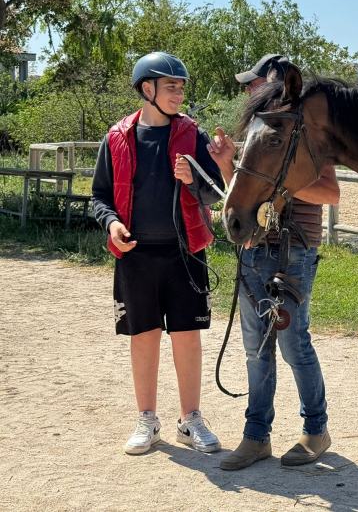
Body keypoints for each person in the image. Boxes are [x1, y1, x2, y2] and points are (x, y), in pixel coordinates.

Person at [208, 54, 340, 471]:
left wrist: (283, 187)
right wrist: (227, 165)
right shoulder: (259, 135)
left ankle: (316, 429)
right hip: (255, 247)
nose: (250, 92)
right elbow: (242, 197)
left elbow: (331, 194)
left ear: (279, 86)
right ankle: (256, 436)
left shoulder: (311, 137)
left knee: (292, 342)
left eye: (256, 85)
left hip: (294, 248)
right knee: (254, 347)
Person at [91, 52, 225, 455]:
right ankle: (147, 419)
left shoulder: (193, 135)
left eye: (182, 87)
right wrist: (111, 223)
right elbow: (99, 196)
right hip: (135, 256)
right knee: (143, 336)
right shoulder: (116, 137)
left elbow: (216, 192)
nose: (179, 94)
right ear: (146, 89)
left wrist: (192, 181)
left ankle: (191, 419)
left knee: (187, 337)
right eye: (171, 86)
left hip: (186, 253)